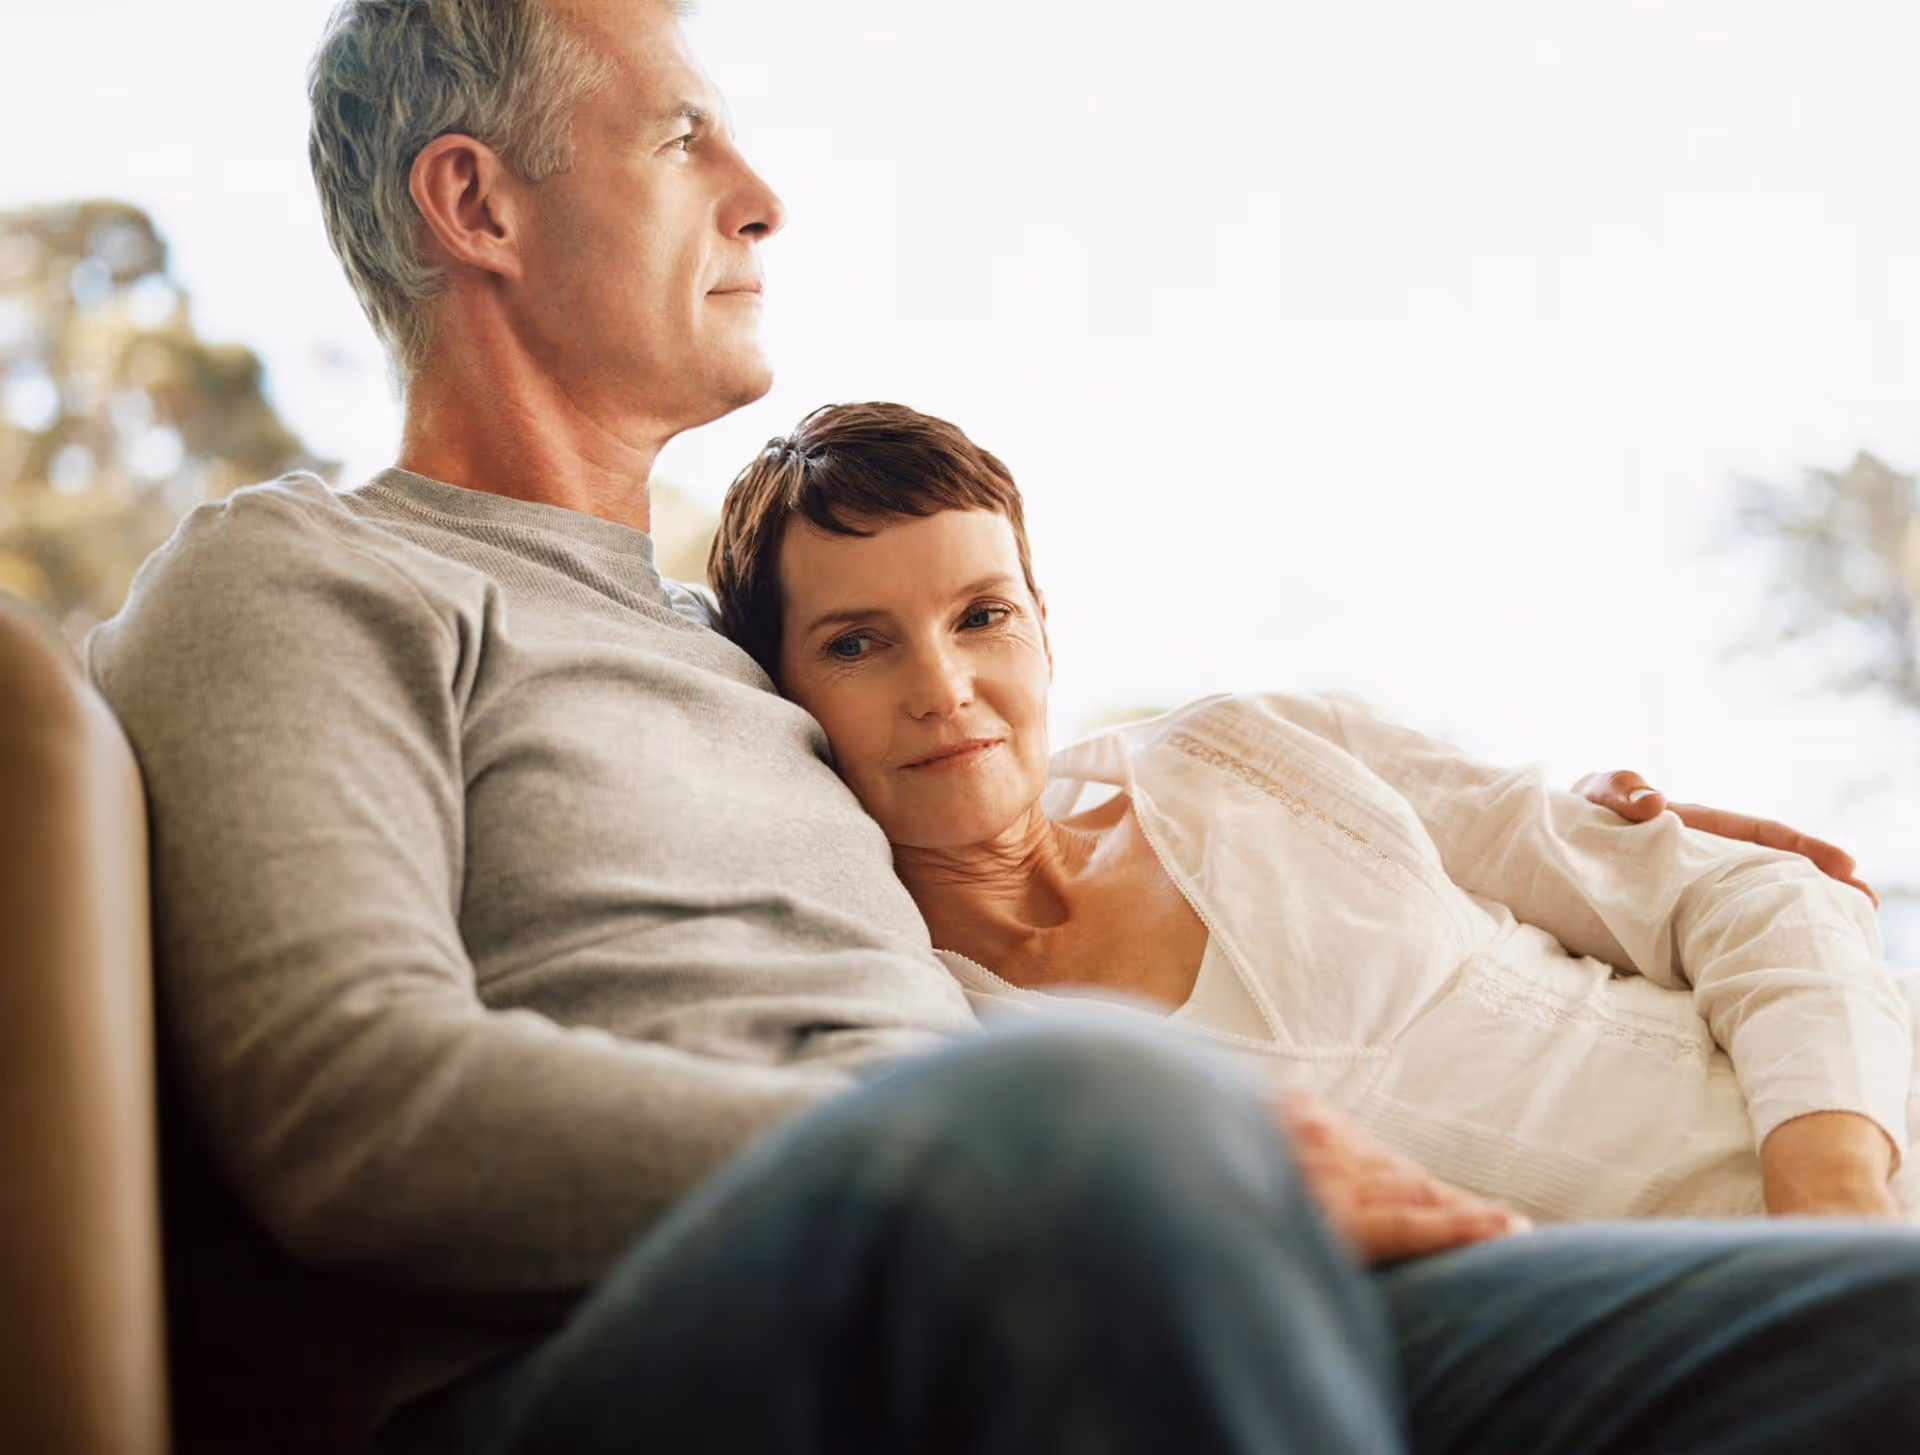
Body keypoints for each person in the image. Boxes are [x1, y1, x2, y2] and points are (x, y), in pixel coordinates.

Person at [85, 1, 1920, 1451]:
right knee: (1103, 1114)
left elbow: (1020, 780)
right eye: (679, 132)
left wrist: (1588, 826)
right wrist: (1006, 1151)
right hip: (671, 1340)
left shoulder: (750, 679)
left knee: (1864, 1337)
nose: (761, 192)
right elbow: (348, 1106)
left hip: (1118, 1252)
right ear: (475, 205)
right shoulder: (300, 577)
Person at [711, 400, 1920, 1227]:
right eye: (859, 643)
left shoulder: (1256, 751)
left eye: (983, 615)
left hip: (1862, 1138)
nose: (944, 690)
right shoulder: (929, 1021)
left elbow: (1750, 895)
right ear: (785, 691)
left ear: (1043, 626)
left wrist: (1830, 1207)